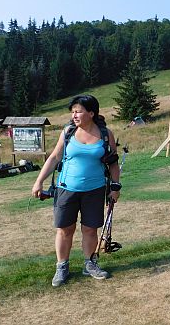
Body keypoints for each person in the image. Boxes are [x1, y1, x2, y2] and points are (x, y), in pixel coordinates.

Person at [32, 95, 121, 287]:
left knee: (90, 229)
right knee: (65, 230)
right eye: (72, 111)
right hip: (66, 189)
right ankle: (62, 267)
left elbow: (113, 163)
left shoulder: (106, 134)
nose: (74, 115)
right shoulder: (68, 132)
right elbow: (54, 157)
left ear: (91, 112)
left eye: (78, 111)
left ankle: (90, 264)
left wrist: (115, 186)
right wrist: (39, 181)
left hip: (95, 190)